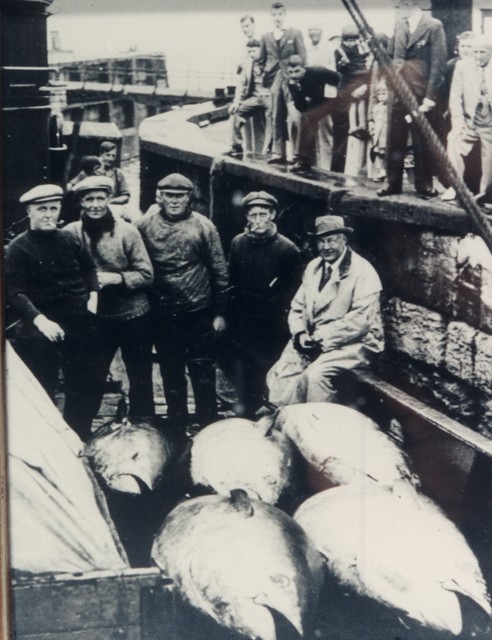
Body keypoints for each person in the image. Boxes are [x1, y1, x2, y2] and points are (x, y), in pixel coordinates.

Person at [5, 184, 103, 440]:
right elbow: (15, 292)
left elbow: (90, 270)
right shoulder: (18, 248)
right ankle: (46, 435)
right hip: (40, 320)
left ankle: (78, 431)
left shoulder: (69, 238)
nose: (49, 214)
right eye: (42, 209)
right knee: (40, 380)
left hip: (76, 315)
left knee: (87, 378)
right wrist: (41, 321)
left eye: (53, 208)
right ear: (29, 211)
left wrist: (93, 296)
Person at [136, 173, 229, 431]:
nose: (174, 201)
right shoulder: (144, 226)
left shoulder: (204, 226)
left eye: (180, 196)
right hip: (163, 312)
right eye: (169, 196)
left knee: (202, 370)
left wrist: (220, 312)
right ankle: (176, 424)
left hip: (198, 310)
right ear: (160, 197)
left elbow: (220, 270)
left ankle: (208, 422)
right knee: (171, 369)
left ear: (189, 198)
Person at [267, 215, 384, 406]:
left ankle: (319, 427)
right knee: (283, 372)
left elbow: (360, 322)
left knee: (315, 376)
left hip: (354, 343)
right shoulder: (314, 267)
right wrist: (300, 334)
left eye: (331, 240)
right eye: (321, 241)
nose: (326, 247)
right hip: (314, 340)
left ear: (344, 240)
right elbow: (297, 307)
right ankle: (287, 423)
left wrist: (320, 339)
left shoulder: (363, 272)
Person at [64, 176, 155, 419]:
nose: (95, 204)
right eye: (88, 199)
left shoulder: (127, 232)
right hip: (96, 319)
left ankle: (143, 427)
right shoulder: (70, 233)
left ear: (108, 200)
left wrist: (115, 279)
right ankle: (78, 431)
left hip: (134, 316)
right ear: (81, 202)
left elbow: (146, 275)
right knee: (89, 376)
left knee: (140, 377)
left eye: (100, 198)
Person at [226, 190, 302, 417]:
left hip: (272, 320)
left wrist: (276, 311)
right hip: (244, 316)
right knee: (243, 366)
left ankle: (269, 411)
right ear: (247, 217)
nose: (258, 220)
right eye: (253, 215)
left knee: (268, 367)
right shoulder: (238, 243)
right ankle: (247, 410)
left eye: (263, 214)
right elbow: (232, 279)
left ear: (273, 215)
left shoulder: (287, 249)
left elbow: (294, 289)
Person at [378, 0, 447, 197]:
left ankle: (423, 184)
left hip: (420, 92)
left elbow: (438, 63)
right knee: (394, 136)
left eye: (400, 6)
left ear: (411, 4)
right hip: (398, 90)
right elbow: (391, 56)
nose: (398, 10)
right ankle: (392, 182)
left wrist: (430, 97)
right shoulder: (399, 25)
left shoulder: (433, 26)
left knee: (421, 138)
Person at [442, 35, 492, 204]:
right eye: (475, 51)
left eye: (482, 52)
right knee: (453, 140)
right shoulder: (463, 66)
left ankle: (486, 194)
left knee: (489, 157)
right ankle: (457, 187)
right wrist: (459, 124)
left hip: (490, 123)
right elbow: (455, 97)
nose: (477, 56)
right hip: (470, 122)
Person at [258, 2, 306, 164]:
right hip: (274, 80)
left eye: (279, 15)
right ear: (271, 17)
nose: (277, 18)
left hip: (291, 79)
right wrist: (263, 72)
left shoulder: (295, 33)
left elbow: (302, 57)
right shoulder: (266, 36)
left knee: (294, 116)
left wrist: (299, 79)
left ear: (284, 15)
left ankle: (297, 153)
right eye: (274, 15)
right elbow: (261, 59)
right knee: (276, 115)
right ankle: (278, 152)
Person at [286, 55, 339, 172]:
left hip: (334, 100)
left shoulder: (317, 71)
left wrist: (331, 92)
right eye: (290, 72)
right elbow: (302, 107)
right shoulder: (292, 82)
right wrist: (297, 91)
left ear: (303, 68)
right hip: (317, 103)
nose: (294, 75)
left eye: (297, 71)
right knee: (306, 119)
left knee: (314, 120)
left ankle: (304, 159)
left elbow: (338, 78)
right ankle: (303, 159)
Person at [332, 24, 372, 175]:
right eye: (348, 40)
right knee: (341, 140)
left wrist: (364, 87)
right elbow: (338, 77)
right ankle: (337, 172)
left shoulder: (360, 50)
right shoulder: (339, 53)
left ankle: (360, 173)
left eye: (353, 40)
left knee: (360, 138)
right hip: (345, 100)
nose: (351, 43)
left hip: (361, 95)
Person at [226, 39, 271, 158]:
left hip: (270, 97)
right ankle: (237, 145)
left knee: (274, 122)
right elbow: (242, 83)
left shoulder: (270, 61)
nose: (252, 54)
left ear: (260, 50)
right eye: (249, 51)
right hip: (255, 97)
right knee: (236, 112)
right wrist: (236, 102)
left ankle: (271, 150)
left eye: (254, 51)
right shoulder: (247, 63)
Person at [306, 25, 338, 170]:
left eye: (316, 29)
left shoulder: (328, 48)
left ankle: (326, 168)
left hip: (325, 94)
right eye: (311, 30)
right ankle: (312, 167)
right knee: (311, 132)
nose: (313, 32)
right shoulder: (307, 50)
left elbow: (331, 73)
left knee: (326, 133)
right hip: (311, 95)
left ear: (321, 31)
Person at [98, 140, 130, 206]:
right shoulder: (91, 170)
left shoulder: (118, 173)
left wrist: (112, 201)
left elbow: (126, 196)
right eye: (108, 155)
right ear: (101, 154)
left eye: (113, 156)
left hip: (111, 206)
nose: (111, 159)